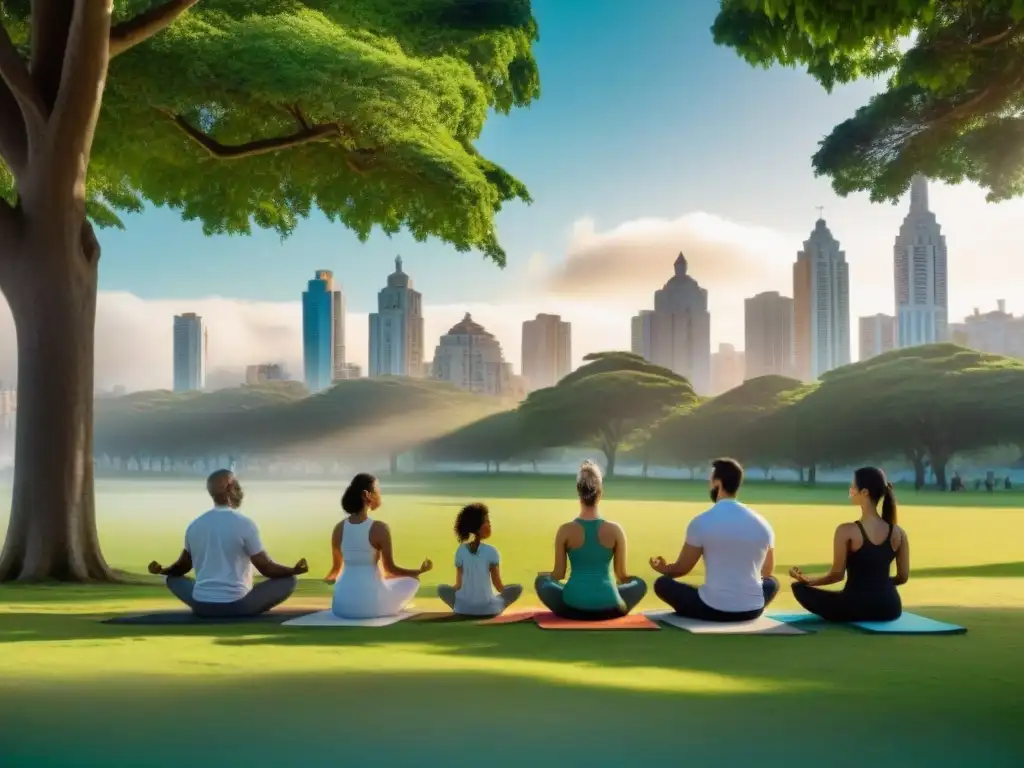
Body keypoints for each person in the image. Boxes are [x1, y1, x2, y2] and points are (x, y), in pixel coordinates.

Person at [148, 469, 307, 618]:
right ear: (230, 489)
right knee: (289, 580)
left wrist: (163, 570)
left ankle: (208, 602)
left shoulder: (195, 525)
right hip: (238, 607)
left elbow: (182, 567)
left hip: (202, 607)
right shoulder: (245, 524)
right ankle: (235, 612)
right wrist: (294, 570)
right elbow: (266, 567)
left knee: (172, 579)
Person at [650, 458, 778, 622]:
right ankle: (739, 600)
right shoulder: (763, 523)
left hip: (713, 609)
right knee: (772, 582)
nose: (708, 485)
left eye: (710, 481)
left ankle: (717, 598)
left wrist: (664, 569)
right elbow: (767, 572)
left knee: (662, 584)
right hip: (752, 609)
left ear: (717, 483)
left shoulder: (701, 521)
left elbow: (681, 569)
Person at [789, 467, 910, 623]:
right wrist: (878, 583)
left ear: (865, 492)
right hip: (890, 608)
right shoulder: (899, 533)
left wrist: (806, 580)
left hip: (855, 606)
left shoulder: (846, 531)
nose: (851, 490)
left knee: (798, 589)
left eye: (853, 486)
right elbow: (903, 577)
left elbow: (837, 575)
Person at [534, 461, 647, 620]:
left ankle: (589, 595)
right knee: (640, 584)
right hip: (611, 608)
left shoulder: (565, 530)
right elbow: (621, 575)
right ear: (600, 493)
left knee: (542, 582)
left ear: (578, 493)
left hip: (573, 607)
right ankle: (608, 594)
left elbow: (558, 574)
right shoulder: (615, 530)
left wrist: (545, 576)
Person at [325, 473, 432, 619]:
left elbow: (335, 571)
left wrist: (330, 581)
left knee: (384, 579)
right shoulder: (379, 528)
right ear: (366, 495)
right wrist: (418, 571)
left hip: (341, 607)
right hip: (371, 606)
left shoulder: (339, 528)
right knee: (412, 581)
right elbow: (390, 570)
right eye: (377, 490)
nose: (379, 495)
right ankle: (387, 602)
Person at [436, 502, 522, 616]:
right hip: (489, 609)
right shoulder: (492, 551)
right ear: (477, 526)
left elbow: (458, 585)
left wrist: (463, 595)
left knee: (441, 588)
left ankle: (464, 606)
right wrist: (506, 591)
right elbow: (499, 587)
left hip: (463, 609)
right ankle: (491, 606)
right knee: (517, 588)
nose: (490, 524)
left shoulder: (460, 550)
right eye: (486, 521)